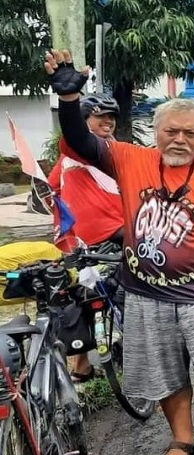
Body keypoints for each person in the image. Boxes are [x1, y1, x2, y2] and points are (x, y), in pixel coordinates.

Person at [44, 49, 194, 455]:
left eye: (189, 132)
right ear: (157, 133)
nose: (179, 139)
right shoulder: (130, 159)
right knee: (166, 374)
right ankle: (183, 441)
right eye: (170, 131)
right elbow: (83, 143)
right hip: (145, 293)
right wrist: (70, 100)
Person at [47, 93, 125, 384]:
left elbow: (52, 185)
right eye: (100, 116)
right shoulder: (78, 148)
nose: (108, 121)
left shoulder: (113, 148)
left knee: (93, 294)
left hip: (114, 230)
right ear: (83, 122)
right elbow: (53, 186)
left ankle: (86, 363)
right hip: (90, 238)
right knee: (80, 298)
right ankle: (81, 362)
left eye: (111, 116)